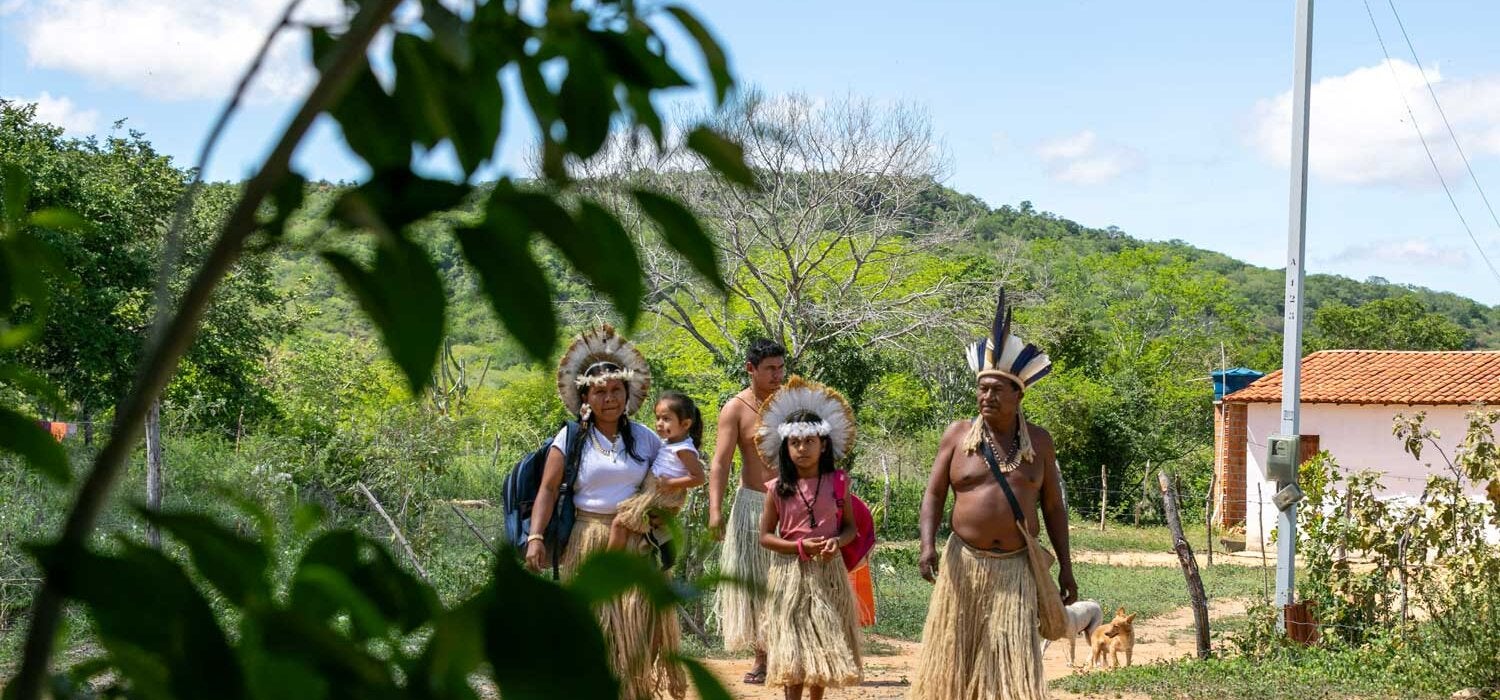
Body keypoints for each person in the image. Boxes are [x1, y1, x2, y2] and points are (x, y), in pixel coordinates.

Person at [908, 290, 1077, 700]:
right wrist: (927, 545)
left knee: (1007, 665)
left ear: (1019, 395)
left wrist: (1066, 568)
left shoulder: (1039, 443)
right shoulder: (956, 435)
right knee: (954, 662)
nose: (987, 397)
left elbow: (1053, 508)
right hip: (963, 565)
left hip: (1016, 569)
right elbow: (933, 496)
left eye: (998, 390)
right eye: (983, 389)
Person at [524, 325, 685, 700]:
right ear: (585, 397)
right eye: (600, 392)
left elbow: (673, 481)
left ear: (628, 394)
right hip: (588, 540)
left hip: (636, 545)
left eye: (616, 391)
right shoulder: (570, 438)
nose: (609, 399)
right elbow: (547, 490)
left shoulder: (646, 437)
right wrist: (535, 537)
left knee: (634, 631)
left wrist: (660, 513)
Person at [755, 377, 863, 700]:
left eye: (809, 442)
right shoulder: (776, 489)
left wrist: (836, 543)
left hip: (828, 577)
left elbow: (850, 529)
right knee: (793, 649)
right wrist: (799, 546)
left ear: (824, 444)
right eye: (795, 443)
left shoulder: (839, 482)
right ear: (785, 447)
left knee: (821, 647)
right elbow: (765, 537)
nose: (802, 449)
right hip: (789, 577)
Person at [708, 338, 787, 683]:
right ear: (750, 369)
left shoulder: (793, 402)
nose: (778, 375)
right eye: (770, 368)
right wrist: (715, 510)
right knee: (756, 584)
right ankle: (762, 657)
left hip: (792, 505)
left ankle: (792, 653)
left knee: (789, 583)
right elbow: (721, 463)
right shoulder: (735, 409)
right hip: (753, 504)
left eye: (781, 367)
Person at [610, 391, 708, 568]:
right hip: (655, 490)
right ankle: (660, 541)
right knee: (647, 525)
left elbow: (699, 478)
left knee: (620, 522)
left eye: (666, 419)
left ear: (685, 424)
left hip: (660, 493)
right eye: (658, 418)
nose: (659, 424)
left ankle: (608, 564)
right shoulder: (670, 443)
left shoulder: (683, 449)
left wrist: (670, 483)